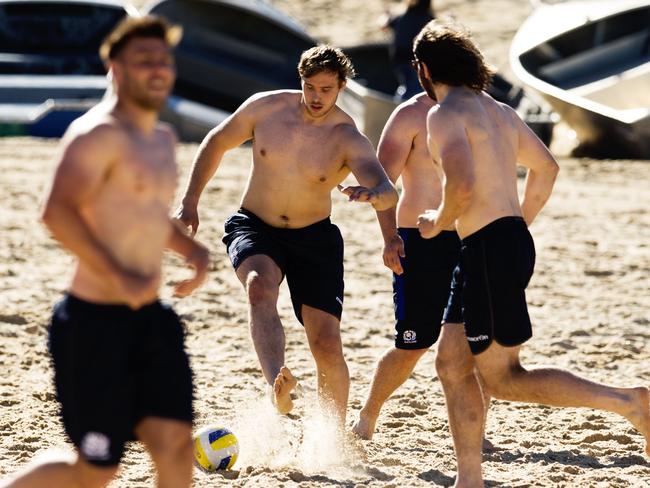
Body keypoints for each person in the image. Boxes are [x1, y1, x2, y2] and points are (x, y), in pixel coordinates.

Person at [413, 20, 650, 487]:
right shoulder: (499, 110)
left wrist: (436, 222)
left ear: (423, 69)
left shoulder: (443, 115)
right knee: (451, 363)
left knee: (502, 378)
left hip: (485, 249)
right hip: (497, 245)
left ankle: (630, 402)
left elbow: (460, 185)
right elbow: (546, 167)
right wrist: (516, 223)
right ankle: (469, 478)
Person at [2, 16, 209, 488]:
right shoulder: (96, 133)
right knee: (97, 469)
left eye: (163, 60)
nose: (158, 70)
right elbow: (56, 212)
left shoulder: (161, 139)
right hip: (93, 324)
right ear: (114, 67)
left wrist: (190, 249)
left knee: (175, 447)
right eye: (144, 61)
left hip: (150, 320)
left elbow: (146, 214)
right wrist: (119, 276)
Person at [174, 45, 398, 425]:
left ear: (342, 86)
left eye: (326, 89)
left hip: (315, 239)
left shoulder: (348, 138)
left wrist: (384, 222)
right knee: (259, 286)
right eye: (309, 86)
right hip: (255, 225)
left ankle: (332, 436)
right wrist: (190, 201)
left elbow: (387, 189)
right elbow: (217, 141)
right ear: (300, 80)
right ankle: (279, 382)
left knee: (326, 342)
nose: (316, 97)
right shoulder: (266, 108)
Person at [351, 92, 491, 444]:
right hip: (419, 238)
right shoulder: (409, 115)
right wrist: (389, 238)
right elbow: (383, 185)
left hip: (472, 234)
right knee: (413, 342)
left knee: (478, 340)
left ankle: (475, 429)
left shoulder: (484, 109)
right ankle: (367, 417)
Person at [383, 0, 435, 101]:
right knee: (415, 89)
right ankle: (400, 107)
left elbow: (385, 25)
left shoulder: (403, 16)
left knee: (406, 85)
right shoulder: (428, 19)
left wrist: (386, 15)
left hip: (398, 58)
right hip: (414, 60)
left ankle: (397, 104)